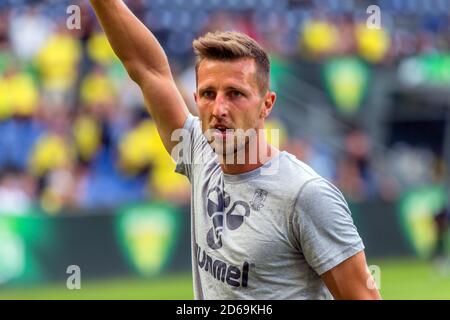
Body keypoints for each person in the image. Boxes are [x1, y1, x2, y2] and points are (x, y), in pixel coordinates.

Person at [89, 0, 381, 300]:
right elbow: (147, 68)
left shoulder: (305, 195)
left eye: (235, 94)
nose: (219, 109)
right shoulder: (199, 154)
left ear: (266, 104)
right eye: (208, 94)